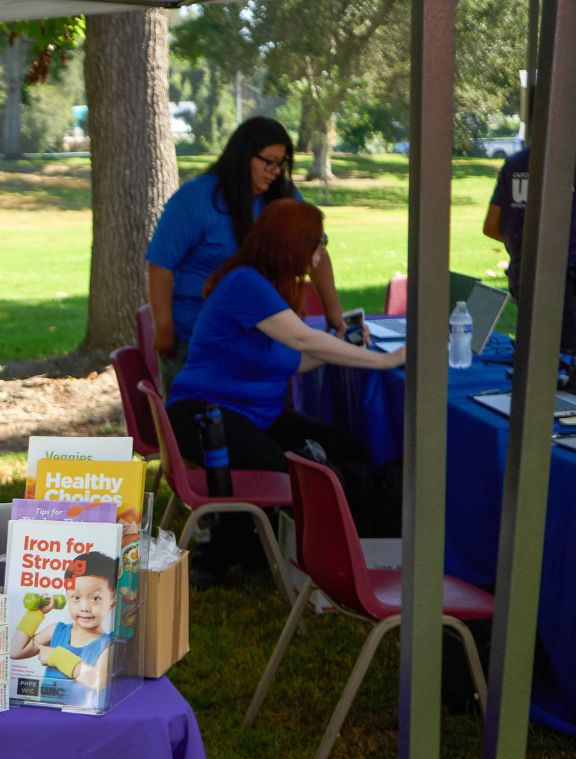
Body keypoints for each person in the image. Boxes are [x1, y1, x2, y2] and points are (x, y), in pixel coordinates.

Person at [167, 200, 405, 537]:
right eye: (319, 243)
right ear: (293, 245)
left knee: (347, 449)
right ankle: (247, 547)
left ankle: (346, 542)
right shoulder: (246, 283)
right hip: (204, 419)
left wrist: (341, 346)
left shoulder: (260, 282)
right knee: (290, 474)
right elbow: (302, 340)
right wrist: (384, 360)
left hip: (250, 415)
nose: (320, 255)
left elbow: (294, 360)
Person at [147, 117, 347, 389]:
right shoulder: (196, 197)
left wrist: (334, 312)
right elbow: (160, 266)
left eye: (281, 164)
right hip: (197, 338)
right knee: (207, 415)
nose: (275, 171)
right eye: (269, 162)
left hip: (264, 337)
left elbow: (315, 251)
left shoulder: (283, 197)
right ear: (243, 156)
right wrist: (164, 329)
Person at [484, 145, 576, 353]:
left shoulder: (515, 163)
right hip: (566, 276)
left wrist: (524, 246)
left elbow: (491, 226)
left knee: (537, 351)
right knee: (564, 357)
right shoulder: (568, 159)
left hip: (524, 271)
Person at [11, 552, 117, 705]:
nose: (85, 607)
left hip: (81, 714)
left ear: (112, 599)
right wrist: (35, 614)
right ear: (67, 597)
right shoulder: (56, 630)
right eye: (76, 597)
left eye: (95, 598)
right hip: (48, 711)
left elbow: (97, 681)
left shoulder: (109, 644)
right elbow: (14, 651)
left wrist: (57, 657)